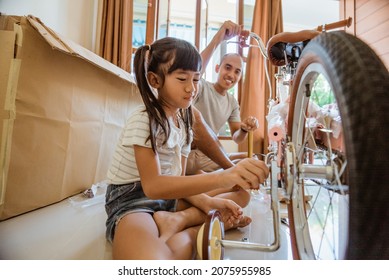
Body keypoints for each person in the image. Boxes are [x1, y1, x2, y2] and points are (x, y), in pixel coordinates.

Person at [105, 37, 269, 260]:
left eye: (196, 79)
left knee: (242, 196)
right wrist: (225, 177)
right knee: (150, 264)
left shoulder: (184, 122)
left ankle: (182, 222)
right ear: (155, 80)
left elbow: (179, 181)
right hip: (133, 200)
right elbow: (153, 186)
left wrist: (210, 202)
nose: (191, 88)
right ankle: (204, 228)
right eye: (182, 78)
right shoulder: (144, 120)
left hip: (168, 198)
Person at [186, 21, 259, 175]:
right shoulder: (201, 87)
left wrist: (244, 129)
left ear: (240, 76)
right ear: (217, 68)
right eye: (227, 67)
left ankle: (205, 179)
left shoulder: (232, 102)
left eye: (237, 71)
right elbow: (195, 70)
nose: (231, 75)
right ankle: (207, 180)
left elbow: (237, 137)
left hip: (207, 156)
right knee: (244, 167)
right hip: (190, 154)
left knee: (252, 158)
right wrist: (219, 38)